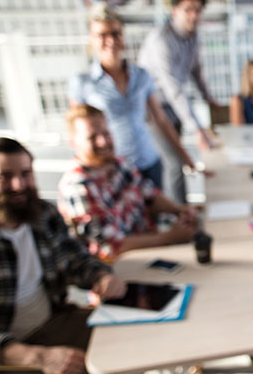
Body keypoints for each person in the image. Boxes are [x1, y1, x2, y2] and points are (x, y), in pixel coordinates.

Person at [0, 137, 137, 374]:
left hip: (53, 323)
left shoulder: (42, 215)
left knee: (132, 344)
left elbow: (77, 259)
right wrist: (39, 357)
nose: (19, 185)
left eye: (25, 174)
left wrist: (100, 277)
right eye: (5, 177)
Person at [69, 3, 198, 189]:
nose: (111, 40)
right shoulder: (82, 82)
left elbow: (160, 120)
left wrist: (185, 157)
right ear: (92, 38)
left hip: (148, 161)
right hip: (112, 168)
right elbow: (77, 132)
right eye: (102, 35)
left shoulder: (141, 75)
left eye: (115, 33)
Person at [58, 104, 199, 262]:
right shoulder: (77, 187)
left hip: (151, 250)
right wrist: (169, 237)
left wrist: (179, 211)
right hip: (123, 266)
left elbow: (150, 196)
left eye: (106, 133)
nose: (103, 142)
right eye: (92, 137)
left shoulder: (119, 163)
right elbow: (110, 246)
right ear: (73, 143)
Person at [139, 0, 220, 204]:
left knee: (179, 161)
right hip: (154, 108)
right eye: (188, 10)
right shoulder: (161, 40)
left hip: (174, 106)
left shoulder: (193, 37)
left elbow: (196, 71)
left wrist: (208, 98)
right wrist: (197, 128)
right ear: (174, 11)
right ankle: (180, 217)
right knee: (175, 162)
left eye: (198, 10)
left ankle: (182, 210)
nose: (194, 15)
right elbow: (172, 87)